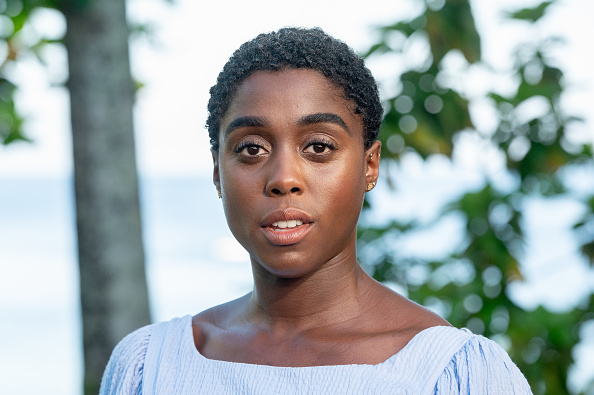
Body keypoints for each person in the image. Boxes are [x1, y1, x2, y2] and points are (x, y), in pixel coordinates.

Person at [99, 27, 531, 394]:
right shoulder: (148, 369)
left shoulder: (451, 375)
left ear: (369, 165)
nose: (284, 178)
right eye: (251, 149)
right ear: (218, 173)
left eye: (318, 147)